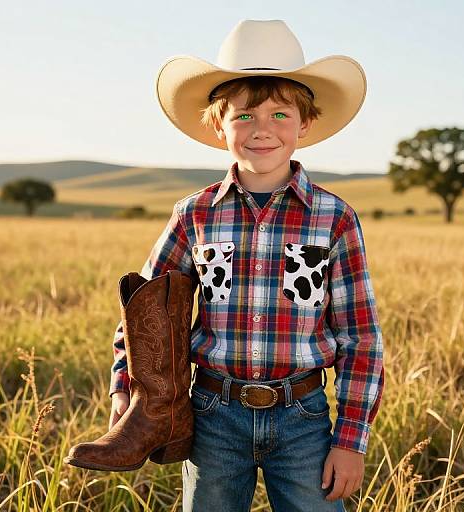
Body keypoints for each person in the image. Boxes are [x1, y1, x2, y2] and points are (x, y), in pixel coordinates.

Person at [109, 19, 384, 512]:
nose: (263, 130)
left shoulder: (335, 218)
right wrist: (126, 389)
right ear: (219, 125)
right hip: (214, 412)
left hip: (303, 416)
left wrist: (351, 440)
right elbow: (142, 313)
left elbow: (360, 337)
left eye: (281, 115)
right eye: (244, 116)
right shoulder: (193, 214)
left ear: (306, 124)